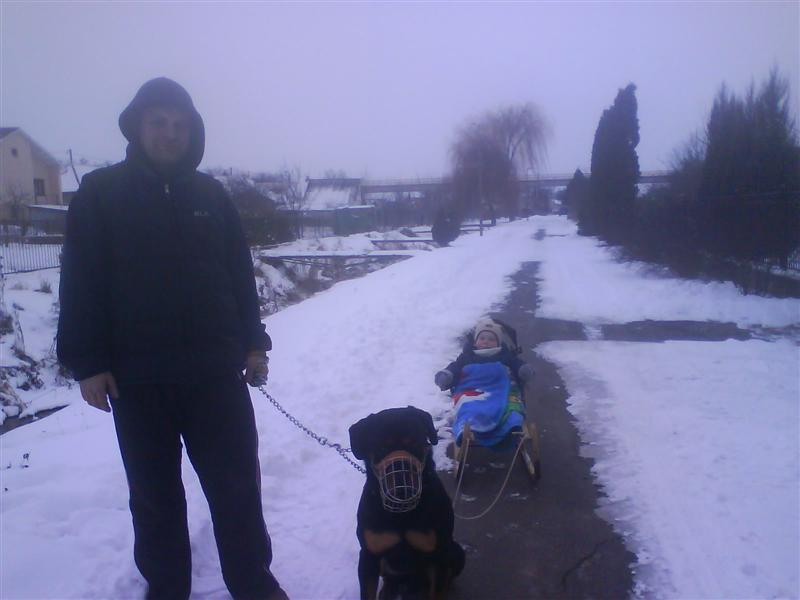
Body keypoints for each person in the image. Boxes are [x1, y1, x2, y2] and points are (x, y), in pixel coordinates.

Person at [57, 77, 287, 600]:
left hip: (215, 375)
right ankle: (166, 588)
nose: (169, 133)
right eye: (158, 122)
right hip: (137, 380)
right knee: (154, 498)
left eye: (180, 125)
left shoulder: (211, 195)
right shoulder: (101, 194)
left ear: (193, 131)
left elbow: (238, 275)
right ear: (138, 126)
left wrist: (254, 343)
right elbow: (81, 280)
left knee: (237, 489)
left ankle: (253, 583)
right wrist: (87, 362)